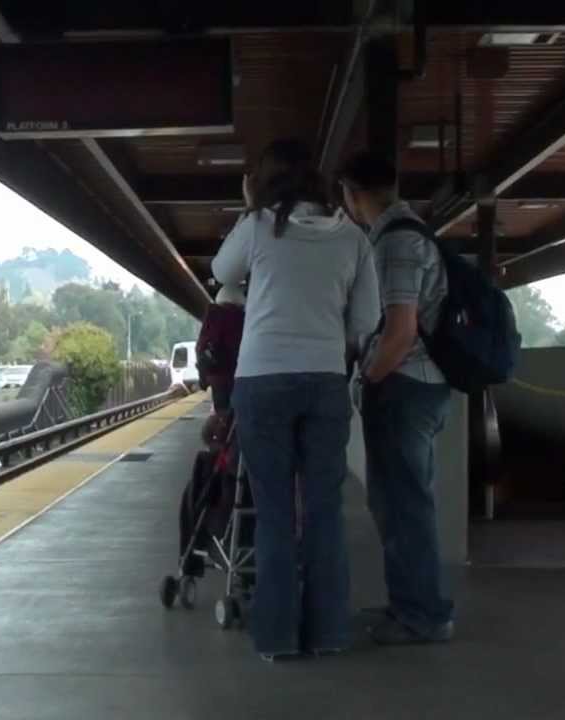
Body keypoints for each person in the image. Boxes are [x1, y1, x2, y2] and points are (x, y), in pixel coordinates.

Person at [212, 138, 380, 661]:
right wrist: (334, 340)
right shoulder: (353, 238)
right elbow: (368, 320)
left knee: (275, 513)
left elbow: (222, 273)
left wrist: (247, 210)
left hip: (262, 382)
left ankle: (278, 637)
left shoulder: (259, 226)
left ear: (262, 183)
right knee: (325, 511)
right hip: (325, 381)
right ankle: (329, 633)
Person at [338, 151, 455, 645]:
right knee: (402, 502)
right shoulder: (405, 233)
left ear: (350, 193)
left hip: (405, 387)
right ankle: (411, 605)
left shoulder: (396, 242)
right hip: (416, 386)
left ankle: (421, 616)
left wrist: (367, 379)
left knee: (404, 504)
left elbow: (400, 330)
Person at [195, 283, 245, 413]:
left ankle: (219, 427)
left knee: (222, 416)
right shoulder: (241, 318)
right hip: (240, 377)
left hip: (218, 378)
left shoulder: (211, 318)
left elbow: (201, 349)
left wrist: (203, 380)